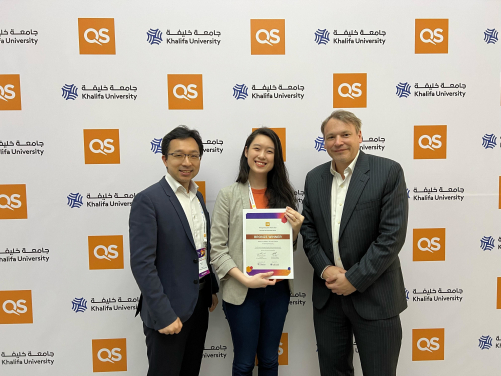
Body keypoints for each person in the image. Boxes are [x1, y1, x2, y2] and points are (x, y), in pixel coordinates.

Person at [301, 110, 408, 376]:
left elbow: (391, 236)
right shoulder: (314, 179)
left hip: (375, 295)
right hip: (329, 297)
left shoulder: (388, 171)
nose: (338, 141)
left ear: (360, 136)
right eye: (331, 137)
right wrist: (325, 269)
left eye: (345, 134)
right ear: (323, 142)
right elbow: (309, 230)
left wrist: (355, 278)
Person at [210, 127, 304, 376]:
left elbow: (287, 248)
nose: (262, 155)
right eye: (257, 149)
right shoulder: (228, 195)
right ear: (246, 152)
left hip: (277, 290)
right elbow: (217, 250)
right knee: (243, 363)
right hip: (242, 291)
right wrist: (246, 280)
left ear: (276, 158)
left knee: (270, 360)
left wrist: (294, 232)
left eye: (270, 151)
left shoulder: (284, 195)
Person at [129, 125, 219, 376]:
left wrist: (210, 287)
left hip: (199, 303)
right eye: (179, 155)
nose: (186, 162)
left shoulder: (197, 197)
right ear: (164, 159)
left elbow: (200, 247)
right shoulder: (148, 200)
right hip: (168, 309)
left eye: (193, 155)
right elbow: (142, 264)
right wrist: (163, 313)